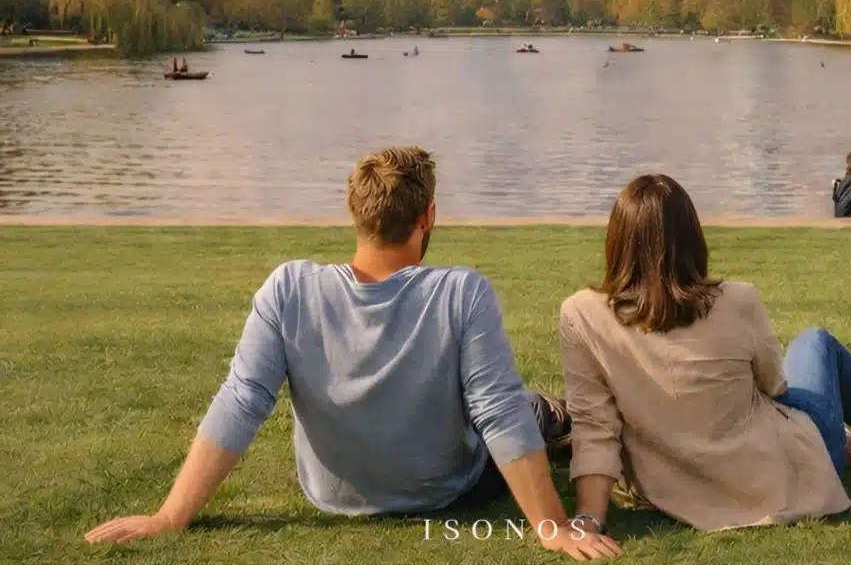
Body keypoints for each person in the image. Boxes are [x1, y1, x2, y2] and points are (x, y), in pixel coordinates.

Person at [85, 146, 618, 561]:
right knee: (526, 408)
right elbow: (496, 412)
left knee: (512, 406)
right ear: (427, 216)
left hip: (332, 495)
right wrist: (551, 528)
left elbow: (242, 401)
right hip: (447, 492)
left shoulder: (288, 288)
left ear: (356, 216)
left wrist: (171, 516)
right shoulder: (461, 292)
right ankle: (571, 426)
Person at [559, 174, 851, 535]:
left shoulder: (581, 314)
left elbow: (594, 426)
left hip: (672, 488)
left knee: (780, 392)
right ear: (693, 238)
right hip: (779, 477)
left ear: (618, 240)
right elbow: (774, 385)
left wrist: (590, 518)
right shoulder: (737, 300)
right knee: (816, 342)